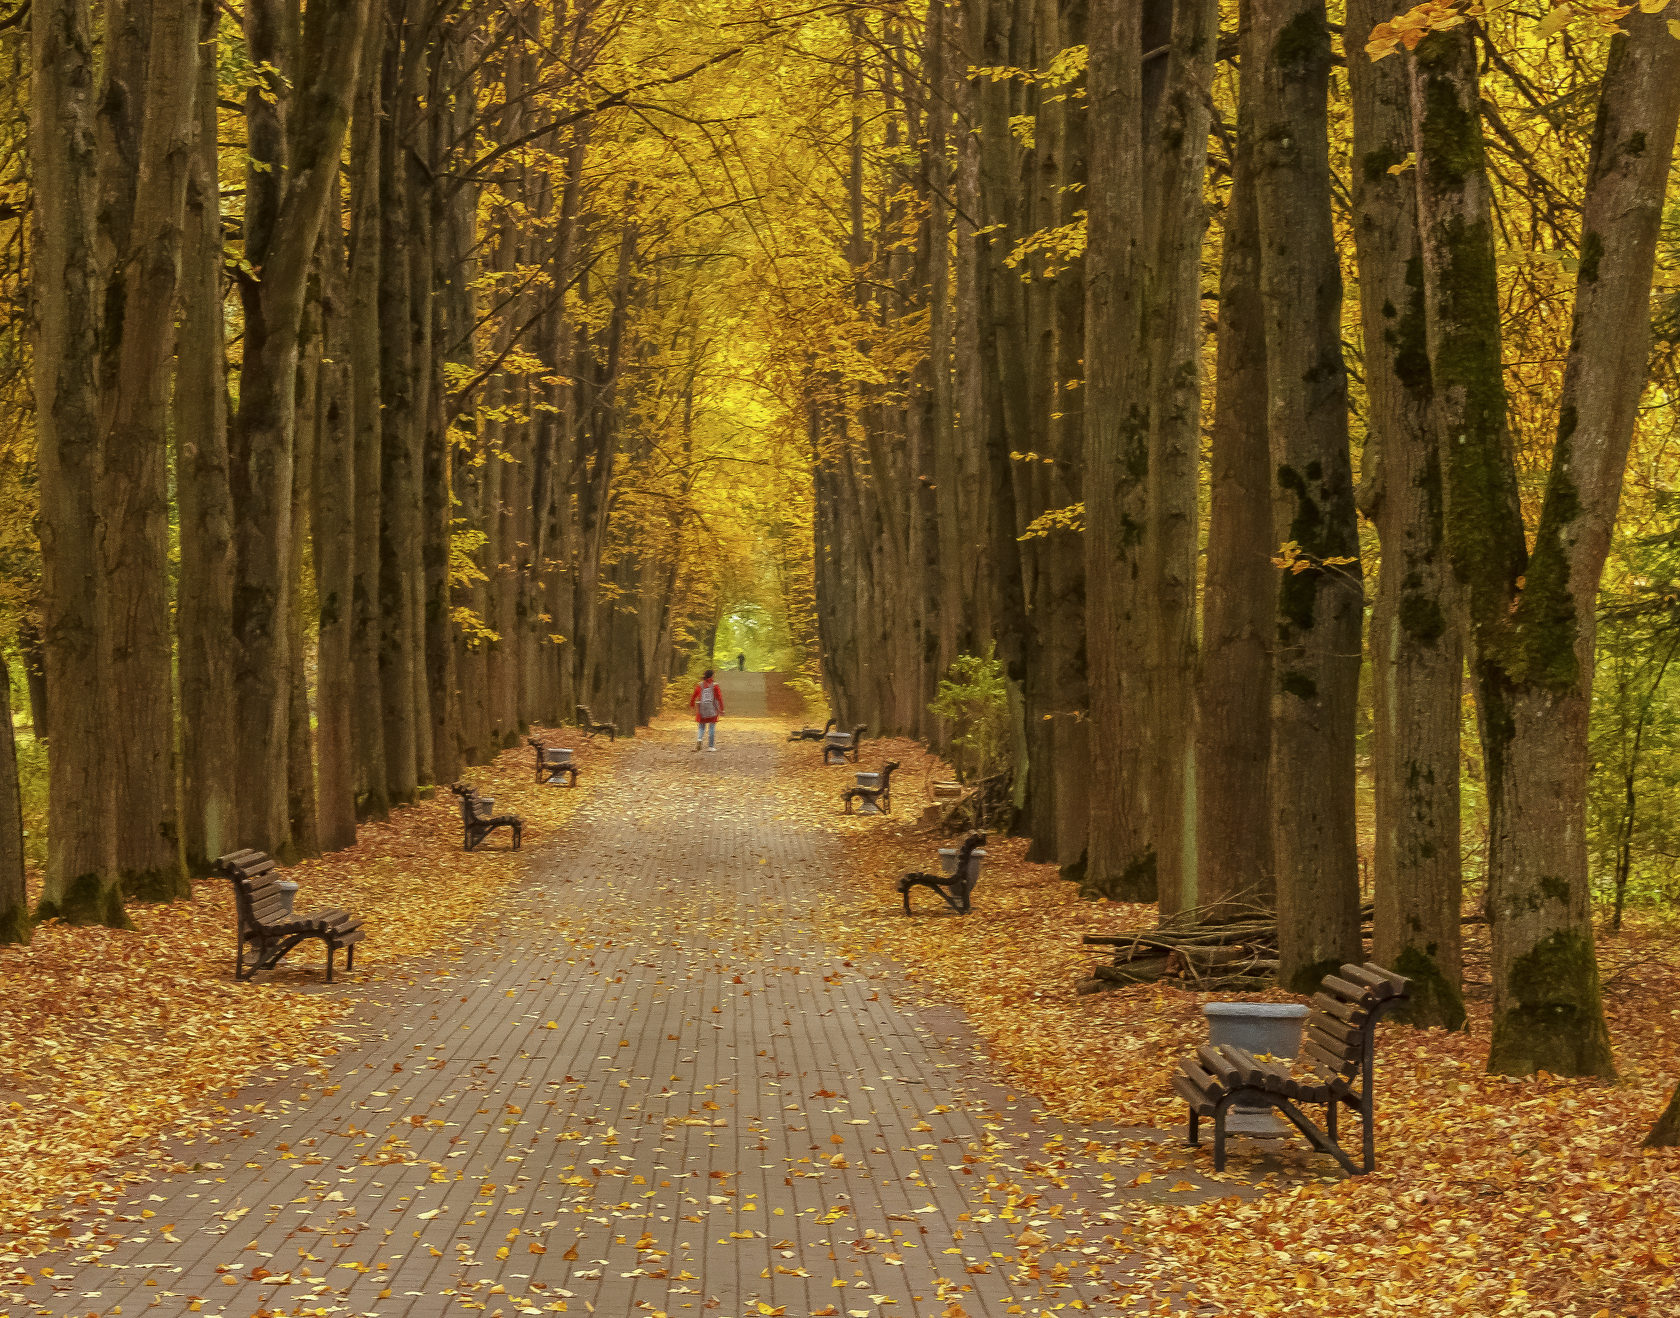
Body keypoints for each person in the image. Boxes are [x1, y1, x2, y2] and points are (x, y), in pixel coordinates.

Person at [690, 668, 724, 751]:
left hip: (702, 709)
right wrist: (721, 709)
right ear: (712, 676)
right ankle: (710, 746)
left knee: (701, 727)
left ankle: (699, 740)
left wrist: (692, 704)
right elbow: (719, 698)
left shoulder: (699, 685)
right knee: (711, 727)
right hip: (712, 708)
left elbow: (694, 696)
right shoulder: (715, 686)